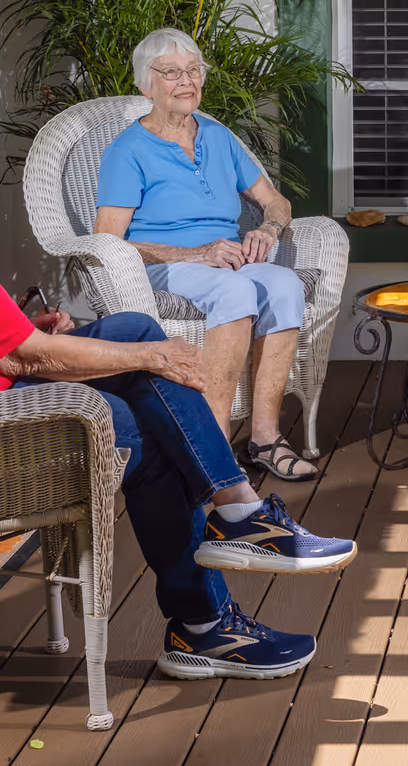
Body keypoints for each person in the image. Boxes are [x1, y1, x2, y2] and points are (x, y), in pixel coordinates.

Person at [0, 33, 355, 681]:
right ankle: (208, 615)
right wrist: (156, 357)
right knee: (151, 430)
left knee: (127, 325)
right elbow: (27, 360)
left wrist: (57, 330)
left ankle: (236, 517)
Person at [93, 28, 316, 483]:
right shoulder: (128, 150)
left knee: (286, 284)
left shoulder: (218, 137)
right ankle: (213, 449)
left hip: (226, 259)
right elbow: (107, 240)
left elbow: (277, 202)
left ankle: (265, 437)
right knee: (234, 290)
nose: (186, 81)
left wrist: (268, 230)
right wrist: (194, 253)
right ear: (145, 84)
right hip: (163, 267)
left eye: (194, 70)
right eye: (171, 72)